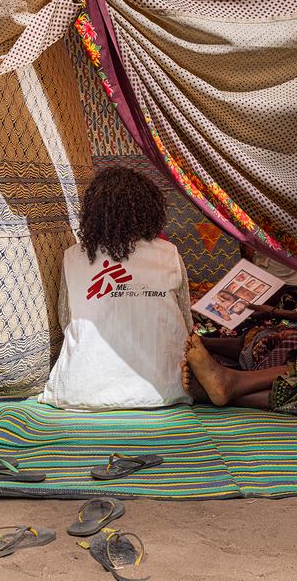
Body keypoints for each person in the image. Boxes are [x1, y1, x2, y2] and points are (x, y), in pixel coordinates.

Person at [38, 166, 193, 411]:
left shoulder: (73, 257)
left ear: (94, 213)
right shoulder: (168, 253)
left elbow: (66, 321)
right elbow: (187, 324)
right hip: (165, 391)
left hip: (80, 391)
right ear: (149, 210)